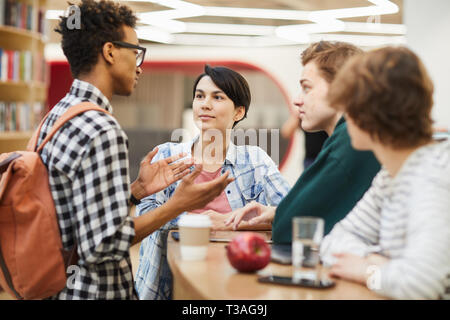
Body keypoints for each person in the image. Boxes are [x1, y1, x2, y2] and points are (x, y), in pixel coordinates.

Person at [42, 0, 232, 299]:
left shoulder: (57, 116)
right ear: (110, 52)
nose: (139, 66)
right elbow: (105, 245)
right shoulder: (102, 129)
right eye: (135, 52)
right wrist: (178, 205)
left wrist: (137, 191)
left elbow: (80, 216)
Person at [135, 65, 290, 300]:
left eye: (217, 97)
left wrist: (231, 223)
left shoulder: (254, 160)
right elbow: (143, 218)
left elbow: (291, 212)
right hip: (167, 284)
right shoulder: (168, 156)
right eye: (199, 96)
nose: (205, 104)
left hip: (234, 282)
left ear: (238, 112)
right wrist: (198, 222)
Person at [320, 46, 450, 300]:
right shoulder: (392, 174)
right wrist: (376, 263)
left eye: (349, 110)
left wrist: (367, 271)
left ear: (368, 115)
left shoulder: (432, 177)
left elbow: (420, 285)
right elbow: (334, 242)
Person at [225, 41, 381, 242]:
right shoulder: (351, 136)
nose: (297, 100)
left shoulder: (350, 141)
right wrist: (276, 212)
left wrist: (281, 216)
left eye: (307, 88)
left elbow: (289, 228)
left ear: (342, 89)